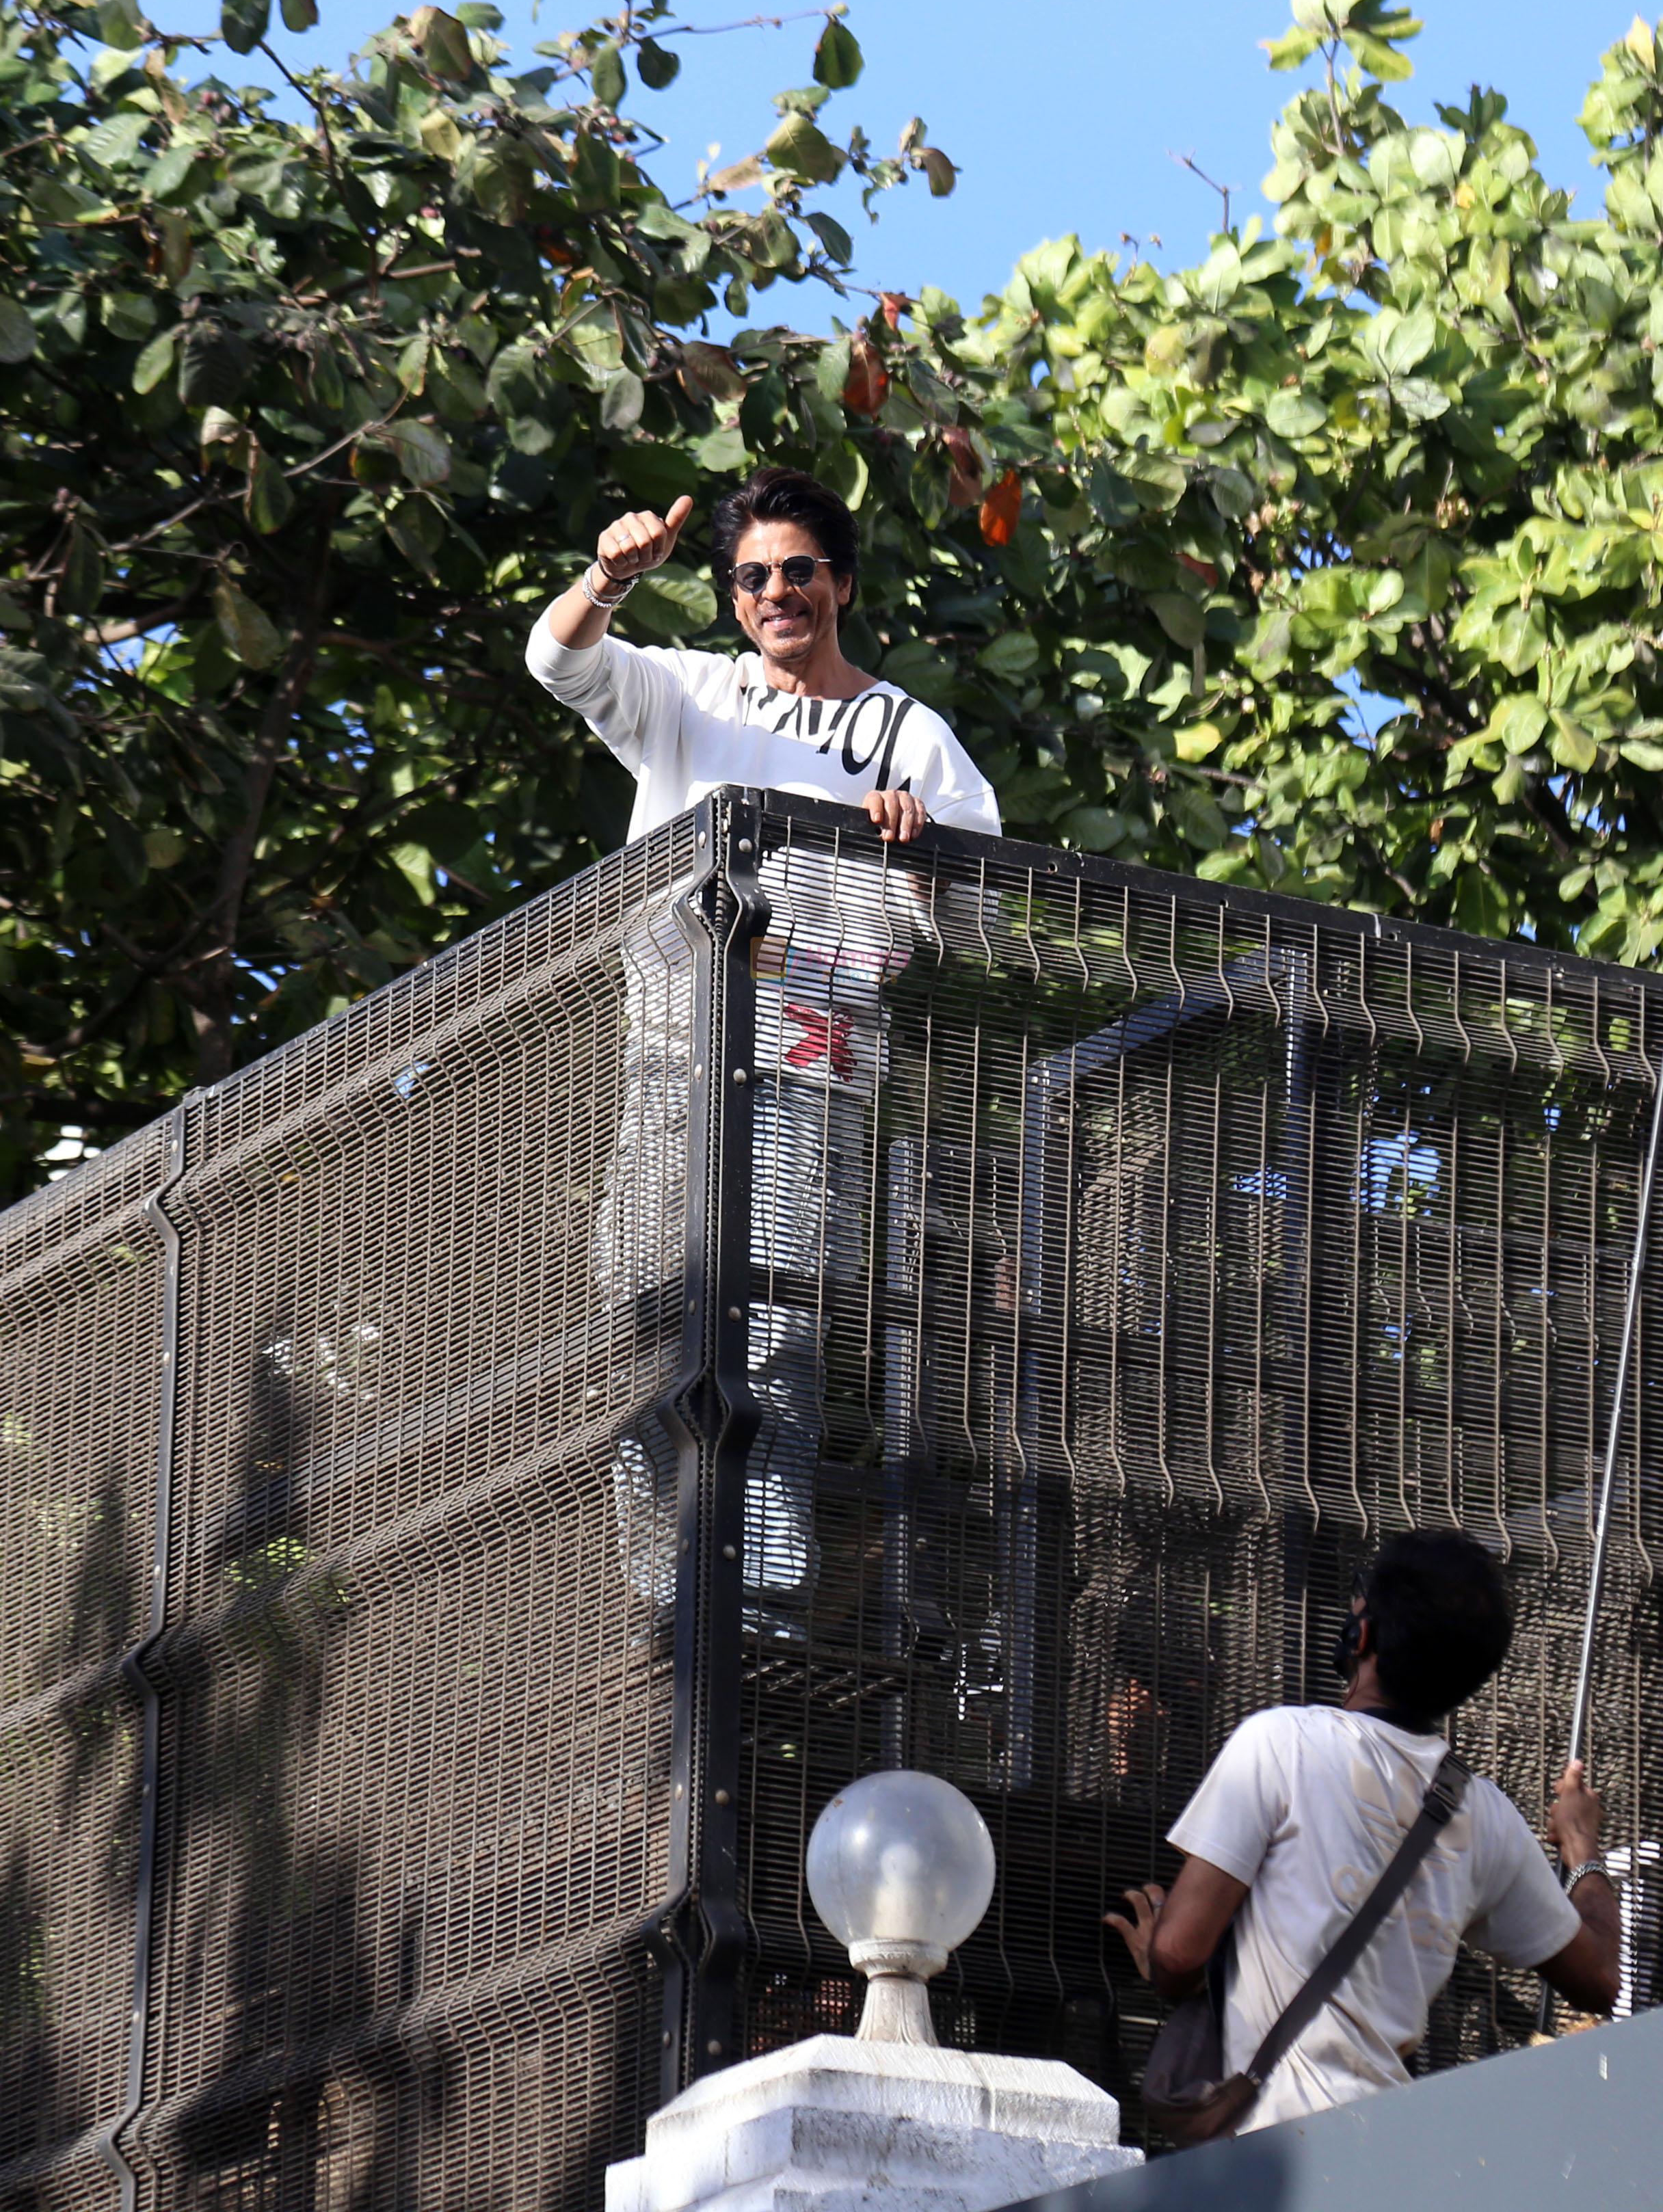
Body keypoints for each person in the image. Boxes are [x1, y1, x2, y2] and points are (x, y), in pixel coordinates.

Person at [525, 468, 1000, 1625]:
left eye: (798, 569)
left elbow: (984, 916)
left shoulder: (903, 731)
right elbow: (557, 660)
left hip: (807, 1062)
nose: (776, 591)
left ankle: (762, 1584)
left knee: (773, 1322)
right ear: (732, 596)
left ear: (838, 582)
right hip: (672, 1058)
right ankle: (665, 1584)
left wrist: (920, 847)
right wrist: (609, 575)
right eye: (752, 577)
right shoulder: (693, 692)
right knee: (641, 1308)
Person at [1106, 1529, 1622, 2133]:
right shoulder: (1488, 1818)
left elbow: (1177, 1953)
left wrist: (1162, 1957)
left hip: (1272, 2146)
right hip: (1386, 2144)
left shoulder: (1283, 1743)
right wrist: (1583, 1843)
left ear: (1362, 1636)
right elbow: (1600, 1980)